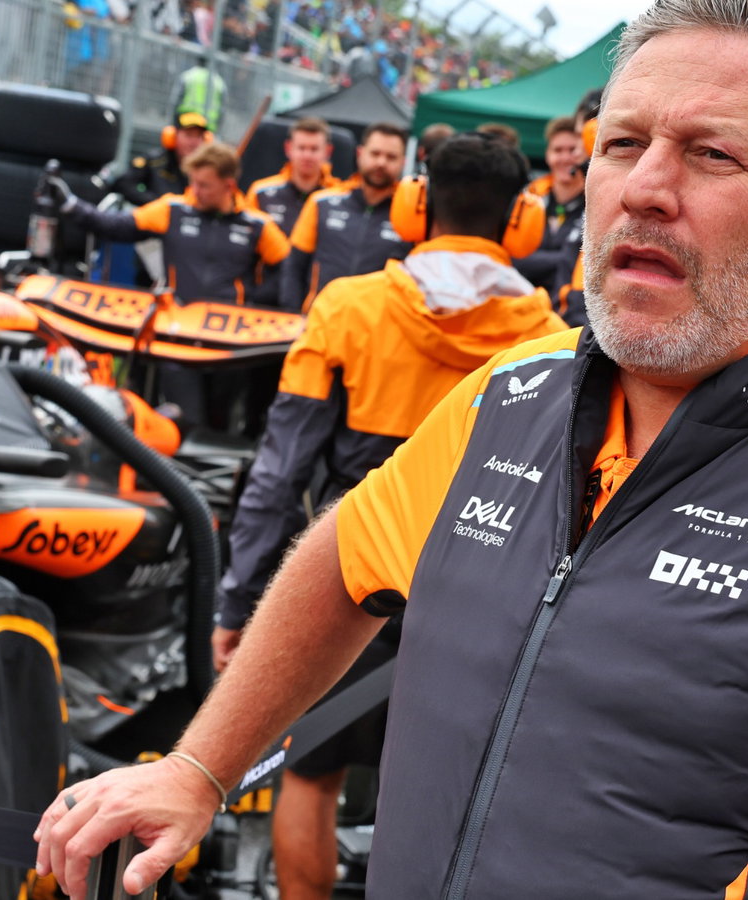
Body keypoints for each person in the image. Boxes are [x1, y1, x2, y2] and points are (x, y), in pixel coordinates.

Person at [36, 1, 748, 896]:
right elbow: (343, 557)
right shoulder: (510, 397)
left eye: (710, 154)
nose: (645, 187)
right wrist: (200, 765)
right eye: (622, 143)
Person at [214, 133, 566, 900]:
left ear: (415, 203)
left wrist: (241, 601)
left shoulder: (347, 306)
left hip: (352, 575)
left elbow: (279, 473)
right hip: (482, 590)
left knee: (309, 773)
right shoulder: (552, 339)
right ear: (523, 221)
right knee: (451, 792)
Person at [65, 141, 287, 305]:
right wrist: (71, 205)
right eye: (193, 182)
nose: (194, 191)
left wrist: (254, 300)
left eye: (204, 185)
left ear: (228, 186)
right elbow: (115, 225)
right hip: (176, 325)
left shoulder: (256, 224)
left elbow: (289, 267)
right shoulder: (172, 209)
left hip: (229, 333)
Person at [280, 122, 410, 311]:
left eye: (391, 157)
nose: (381, 162)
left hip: (374, 329)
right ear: (360, 154)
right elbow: (293, 267)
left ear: (403, 162)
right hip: (318, 322)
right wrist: (291, 316)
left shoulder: (410, 216)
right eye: (375, 154)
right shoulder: (321, 203)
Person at [514, 116, 585, 299]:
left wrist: (536, 260)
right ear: (547, 154)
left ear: (583, 153)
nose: (565, 158)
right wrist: (562, 259)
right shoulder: (529, 197)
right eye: (558, 150)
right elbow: (513, 258)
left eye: (572, 150)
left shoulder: (597, 202)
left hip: (569, 314)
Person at [246, 116, 339, 237]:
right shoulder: (260, 192)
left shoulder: (338, 196)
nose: (307, 155)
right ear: (288, 148)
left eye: (314, 149)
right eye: (301, 148)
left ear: (328, 152)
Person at [106, 112, 208, 207]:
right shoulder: (154, 161)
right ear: (173, 136)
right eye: (189, 135)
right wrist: (157, 204)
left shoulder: (209, 168)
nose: (194, 142)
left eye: (199, 136)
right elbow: (123, 184)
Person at [167, 53, 225, 133]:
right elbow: (222, 110)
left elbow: (176, 100)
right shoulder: (219, 82)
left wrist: (173, 123)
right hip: (209, 127)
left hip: (187, 123)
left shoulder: (188, 76)